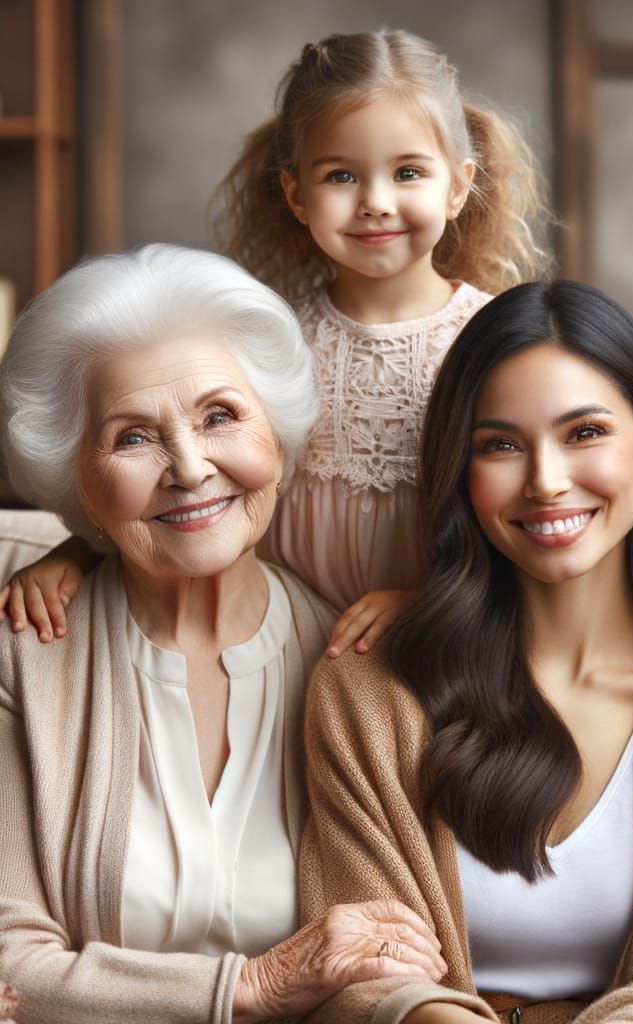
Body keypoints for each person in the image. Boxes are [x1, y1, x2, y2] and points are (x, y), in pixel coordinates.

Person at [298, 281, 633, 1023]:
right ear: (461, 469)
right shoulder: (369, 689)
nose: (545, 481)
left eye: (585, 433)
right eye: (501, 445)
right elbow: (365, 977)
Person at [0, 245, 446, 1024]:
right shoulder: (25, 648)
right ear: (80, 484)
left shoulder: (356, 668)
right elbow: (9, 965)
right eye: (132, 437)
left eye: (219, 416)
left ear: (277, 434)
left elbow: (396, 955)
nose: (190, 467)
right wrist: (252, 988)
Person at [0, 29, 550, 657]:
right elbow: (177, 490)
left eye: (407, 173)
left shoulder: (499, 344)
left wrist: (428, 607)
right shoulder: (263, 345)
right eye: (341, 175)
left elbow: (528, 511)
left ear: (457, 186)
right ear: (296, 194)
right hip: (286, 648)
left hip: (448, 643)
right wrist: (73, 554)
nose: (374, 202)